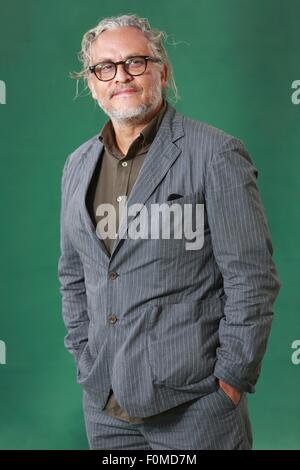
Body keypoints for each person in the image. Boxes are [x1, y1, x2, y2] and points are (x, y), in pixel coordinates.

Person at [58, 14, 281, 450]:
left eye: (135, 62)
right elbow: (73, 275)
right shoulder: (77, 165)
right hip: (106, 410)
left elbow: (252, 278)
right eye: (105, 67)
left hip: (195, 406)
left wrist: (231, 379)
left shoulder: (215, 153)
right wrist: (87, 360)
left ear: (162, 70)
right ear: (91, 82)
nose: (120, 76)